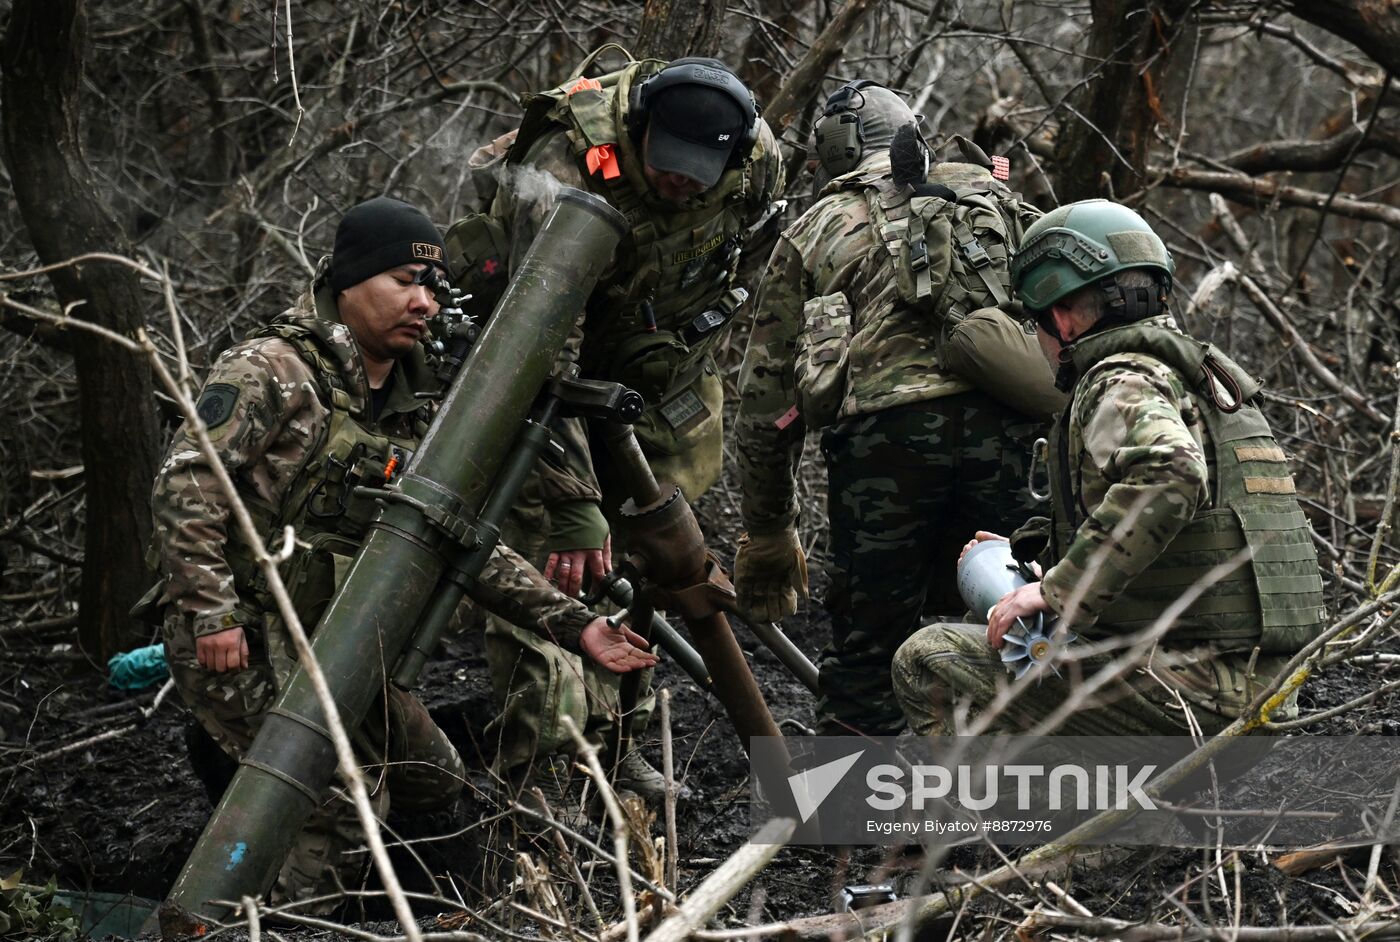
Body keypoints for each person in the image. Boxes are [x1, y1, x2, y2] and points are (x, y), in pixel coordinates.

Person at [149, 197, 656, 909]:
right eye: (401, 282)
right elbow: (185, 488)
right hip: (250, 635)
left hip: (337, 639)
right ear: (348, 281)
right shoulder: (272, 368)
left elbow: (454, 532)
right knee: (338, 805)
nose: (421, 303)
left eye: (430, 288)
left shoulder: (422, 395)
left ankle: (428, 909)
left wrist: (574, 625)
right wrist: (211, 616)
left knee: (432, 779)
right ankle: (270, 920)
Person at [448, 54, 784, 794]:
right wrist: (573, 500)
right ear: (638, 131)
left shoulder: (756, 163)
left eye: (701, 169)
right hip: (534, 367)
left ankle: (620, 746)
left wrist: (681, 344)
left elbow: (748, 255)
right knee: (561, 569)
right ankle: (542, 783)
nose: (682, 181)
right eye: (668, 161)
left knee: (650, 566)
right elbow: (540, 352)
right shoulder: (567, 165)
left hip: (652, 366)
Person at [892, 199, 1327, 738]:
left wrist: (1059, 593)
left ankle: (1059, 821)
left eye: (1035, 322)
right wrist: (1041, 565)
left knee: (929, 657)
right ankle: (1136, 813)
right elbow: (1176, 539)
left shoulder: (1116, 379)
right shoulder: (1199, 376)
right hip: (1264, 686)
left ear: (1062, 315)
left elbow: (1173, 474)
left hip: (1197, 693)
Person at [732, 81, 1052, 737]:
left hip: (885, 445)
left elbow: (765, 403)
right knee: (1014, 619)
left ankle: (852, 829)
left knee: (868, 649)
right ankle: (1023, 821)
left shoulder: (817, 227)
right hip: (1007, 428)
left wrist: (769, 530)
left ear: (833, 148)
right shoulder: (993, 202)